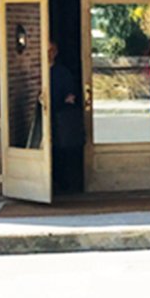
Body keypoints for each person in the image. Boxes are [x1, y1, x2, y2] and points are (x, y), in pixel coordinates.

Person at [48, 41, 84, 194]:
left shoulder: (62, 73)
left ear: (55, 53)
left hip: (59, 117)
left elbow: (70, 96)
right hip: (42, 117)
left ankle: (63, 183)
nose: (48, 53)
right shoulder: (36, 71)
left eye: (51, 50)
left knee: (61, 151)